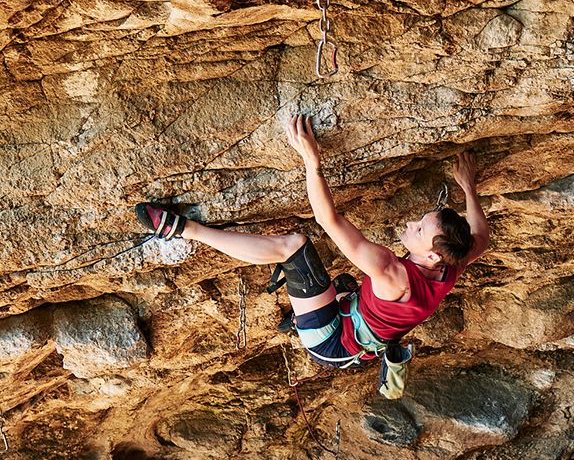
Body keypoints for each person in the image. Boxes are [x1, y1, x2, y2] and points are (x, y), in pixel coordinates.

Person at [134, 114, 490, 374]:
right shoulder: (449, 263)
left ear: (430, 253)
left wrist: (311, 161)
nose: (411, 224)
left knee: (294, 246)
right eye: (420, 219)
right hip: (355, 323)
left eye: (418, 229)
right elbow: (481, 238)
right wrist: (468, 188)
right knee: (343, 283)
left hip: (332, 342)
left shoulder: (391, 271)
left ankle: (183, 229)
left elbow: (328, 219)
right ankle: (313, 302)